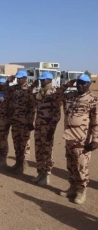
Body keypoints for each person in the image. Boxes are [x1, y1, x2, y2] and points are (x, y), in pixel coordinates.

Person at [56, 74, 98, 204]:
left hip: (82, 139)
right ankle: (72, 187)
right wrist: (65, 86)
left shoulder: (93, 99)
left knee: (81, 166)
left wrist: (96, 140)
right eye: (78, 82)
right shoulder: (70, 95)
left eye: (83, 83)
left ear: (89, 84)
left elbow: (96, 121)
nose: (80, 85)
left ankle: (81, 191)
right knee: (71, 164)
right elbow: (56, 96)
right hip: (69, 137)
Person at [29, 72, 61, 185]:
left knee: (47, 152)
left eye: (43, 80)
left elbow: (57, 114)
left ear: (49, 80)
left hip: (47, 129)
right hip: (39, 127)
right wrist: (33, 87)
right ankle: (40, 173)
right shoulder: (41, 93)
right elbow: (30, 99)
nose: (41, 81)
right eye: (41, 80)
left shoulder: (54, 94)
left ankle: (46, 176)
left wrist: (51, 129)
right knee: (39, 151)